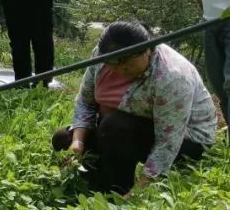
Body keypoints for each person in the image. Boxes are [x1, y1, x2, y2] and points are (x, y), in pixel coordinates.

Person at [52, 21, 217, 195]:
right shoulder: (103, 57)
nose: (119, 70)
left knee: (115, 125)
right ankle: (91, 180)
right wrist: (78, 142)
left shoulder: (171, 77)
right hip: (122, 128)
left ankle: (116, 190)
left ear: (147, 51)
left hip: (185, 138)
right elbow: (86, 102)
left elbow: (168, 141)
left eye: (126, 64)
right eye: (113, 64)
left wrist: (140, 188)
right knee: (63, 139)